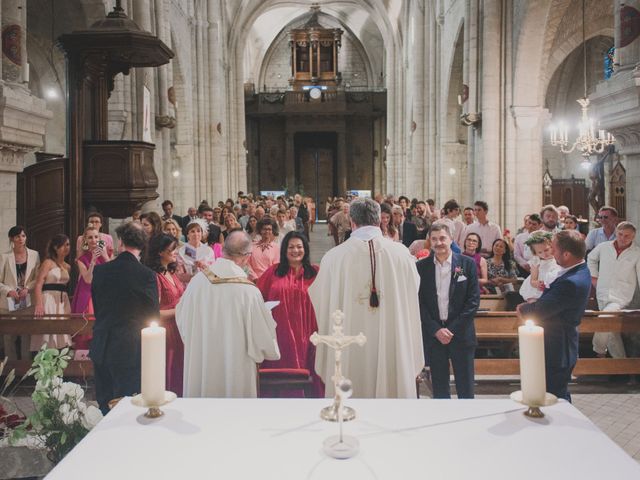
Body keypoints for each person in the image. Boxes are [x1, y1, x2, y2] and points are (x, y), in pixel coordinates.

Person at [309, 198, 424, 398]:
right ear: (380, 219)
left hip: (349, 347)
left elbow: (320, 299)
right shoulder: (401, 255)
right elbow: (412, 292)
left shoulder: (334, 257)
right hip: (392, 338)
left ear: (351, 220)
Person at [177, 231, 280, 398]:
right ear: (247, 256)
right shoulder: (249, 292)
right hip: (237, 368)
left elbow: (182, 320)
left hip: (203, 363)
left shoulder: (196, 283)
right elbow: (262, 340)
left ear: (223, 250)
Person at [90, 222, 160, 414]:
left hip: (103, 344)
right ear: (142, 246)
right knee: (128, 404)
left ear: (120, 242)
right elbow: (153, 314)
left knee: (105, 403)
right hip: (131, 348)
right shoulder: (146, 275)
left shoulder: (101, 271)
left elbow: (97, 308)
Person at [517, 230, 591, 401]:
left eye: (555, 249)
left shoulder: (571, 282)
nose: (551, 252)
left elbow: (543, 309)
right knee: (557, 393)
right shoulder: (577, 269)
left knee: (554, 396)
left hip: (558, 347)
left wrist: (523, 309)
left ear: (566, 254)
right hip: (558, 341)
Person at [256, 232, 323, 397]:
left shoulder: (315, 273)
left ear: (305, 249)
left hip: (308, 333)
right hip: (280, 333)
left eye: (299, 247)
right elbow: (257, 298)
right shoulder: (273, 272)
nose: (295, 250)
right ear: (284, 250)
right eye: (291, 247)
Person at [417, 224, 480, 398]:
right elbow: (419, 303)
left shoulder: (467, 264)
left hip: (461, 334)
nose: (439, 243)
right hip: (435, 336)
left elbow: (473, 301)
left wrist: (452, 329)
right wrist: (436, 329)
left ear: (451, 239)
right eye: (434, 239)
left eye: (442, 238)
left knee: (465, 388)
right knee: (439, 388)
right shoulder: (421, 267)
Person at [587, 222, 640, 360]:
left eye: (627, 236)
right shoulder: (604, 247)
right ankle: (621, 366)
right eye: (620, 234)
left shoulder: (637, 253)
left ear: (633, 237)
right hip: (602, 291)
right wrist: (594, 277)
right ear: (616, 233)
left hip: (621, 295)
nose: (623, 238)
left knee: (604, 319)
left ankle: (599, 352)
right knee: (611, 330)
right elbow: (591, 258)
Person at [144, 234, 186, 396]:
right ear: (160, 252)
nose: (175, 252)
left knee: (178, 370)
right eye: (172, 249)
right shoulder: (155, 276)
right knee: (168, 371)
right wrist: (180, 310)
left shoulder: (171, 272)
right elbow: (154, 313)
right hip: (165, 331)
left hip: (178, 328)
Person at [0, 226, 40, 360]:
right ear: (11, 239)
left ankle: (25, 368)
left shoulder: (34, 255)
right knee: (8, 337)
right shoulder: (4, 257)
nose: (21, 239)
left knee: (26, 335)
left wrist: (27, 288)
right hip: (9, 303)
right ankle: (10, 369)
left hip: (27, 301)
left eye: (23, 236)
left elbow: (38, 278)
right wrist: (8, 290)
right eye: (17, 236)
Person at [70, 226, 110, 353]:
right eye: (90, 237)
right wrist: (92, 261)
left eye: (96, 237)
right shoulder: (82, 259)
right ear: (85, 240)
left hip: (103, 295)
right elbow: (87, 279)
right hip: (87, 295)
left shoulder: (106, 256)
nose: (94, 240)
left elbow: (113, 275)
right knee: (86, 330)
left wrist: (105, 257)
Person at [31, 234, 72, 352]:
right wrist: (39, 304)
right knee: (47, 330)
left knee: (62, 331)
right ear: (55, 247)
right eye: (64, 245)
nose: (67, 247)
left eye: (68, 245)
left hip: (63, 300)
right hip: (48, 299)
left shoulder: (67, 266)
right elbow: (38, 284)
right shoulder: (48, 263)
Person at [519, 231, 560, 302]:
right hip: (538, 288)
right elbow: (533, 280)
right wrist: (536, 283)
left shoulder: (557, 258)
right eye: (540, 252)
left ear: (551, 246)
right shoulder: (536, 261)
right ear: (535, 253)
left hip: (552, 287)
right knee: (533, 302)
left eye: (546, 250)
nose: (544, 254)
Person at [176, 219, 216, 284]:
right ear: (187, 235)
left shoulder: (208, 251)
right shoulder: (182, 251)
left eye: (198, 231)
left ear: (202, 233)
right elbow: (179, 275)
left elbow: (212, 274)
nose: (196, 234)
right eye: (192, 231)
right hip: (187, 286)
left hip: (205, 284)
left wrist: (203, 266)